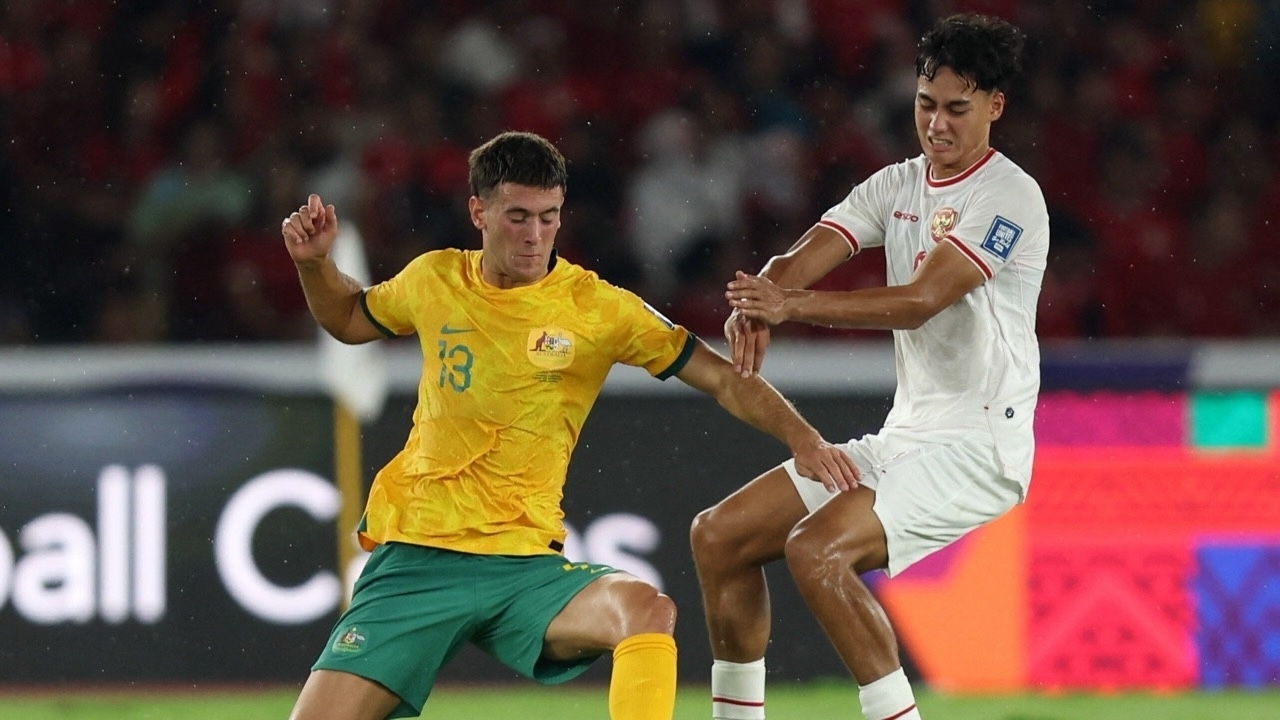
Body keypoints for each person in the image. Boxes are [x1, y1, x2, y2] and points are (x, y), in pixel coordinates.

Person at [279, 131, 858, 720]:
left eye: (548, 217)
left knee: (648, 611)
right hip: (418, 556)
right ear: (479, 212)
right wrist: (315, 265)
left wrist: (802, 438)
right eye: (518, 217)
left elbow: (723, 377)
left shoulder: (597, 307)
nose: (535, 235)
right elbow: (348, 318)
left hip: (525, 567)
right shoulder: (435, 279)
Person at [689, 14, 1047, 720]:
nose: (936, 125)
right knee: (719, 536)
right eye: (925, 104)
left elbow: (920, 302)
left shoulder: (1008, 197)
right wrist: (759, 300)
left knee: (816, 552)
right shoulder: (896, 186)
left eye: (957, 108)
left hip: (980, 444)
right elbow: (800, 257)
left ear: (995, 106)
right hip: (906, 436)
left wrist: (790, 306)